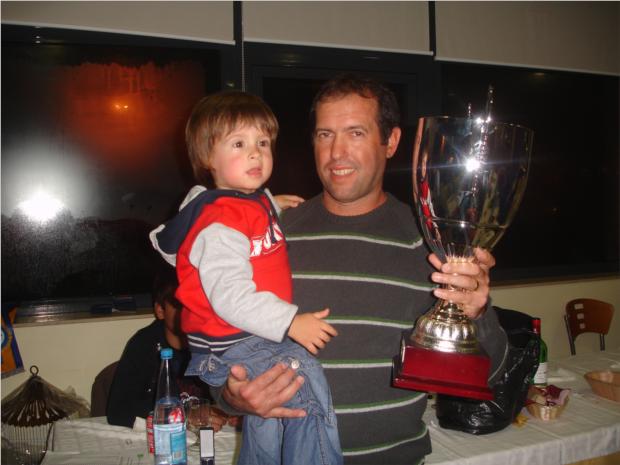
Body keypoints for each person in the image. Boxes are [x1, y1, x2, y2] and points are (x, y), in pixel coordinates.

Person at [217, 74, 509, 465]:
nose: (336, 153)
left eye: (355, 133)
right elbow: (219, 340)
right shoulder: (270, 235)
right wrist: (231, 395)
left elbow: (489, 376)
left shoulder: (430, 243)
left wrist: (478, 313)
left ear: (391, 141)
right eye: (325, 135)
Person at [150, 91, 343, 465]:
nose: (256, 153)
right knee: (305, 383)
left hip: (240, 340)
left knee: (267, 418)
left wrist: (270, 204)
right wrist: (290, 322)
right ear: (208, 157)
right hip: (238, 339)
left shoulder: (243, 205)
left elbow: (247, 223)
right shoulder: (220, 223)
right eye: (239, 144)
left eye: (263, 143)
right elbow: (230, 296)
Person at [106, 265, 235, 431]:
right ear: (160, 310)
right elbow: (117, 411)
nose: (188, 313)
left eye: (195, 305)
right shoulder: (144, 344)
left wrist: (236, 409)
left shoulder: (215, 341)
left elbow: (232, 395)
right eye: (179, 305)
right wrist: (185, 414)